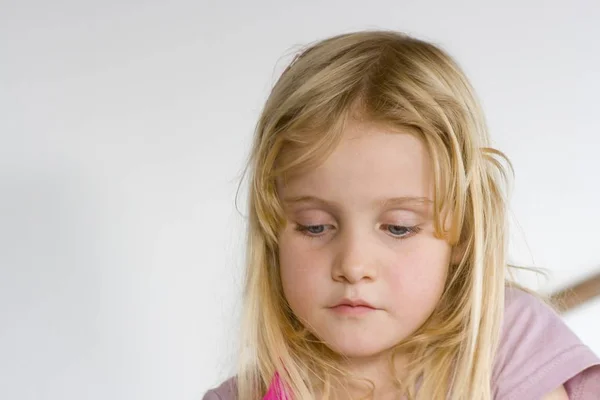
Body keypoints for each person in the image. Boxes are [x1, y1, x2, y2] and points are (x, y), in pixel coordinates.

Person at [203, 29, 600, 399]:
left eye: (398, 228)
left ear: (462, 230)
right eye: (315, 226)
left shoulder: (509, 342)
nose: (353, 265)